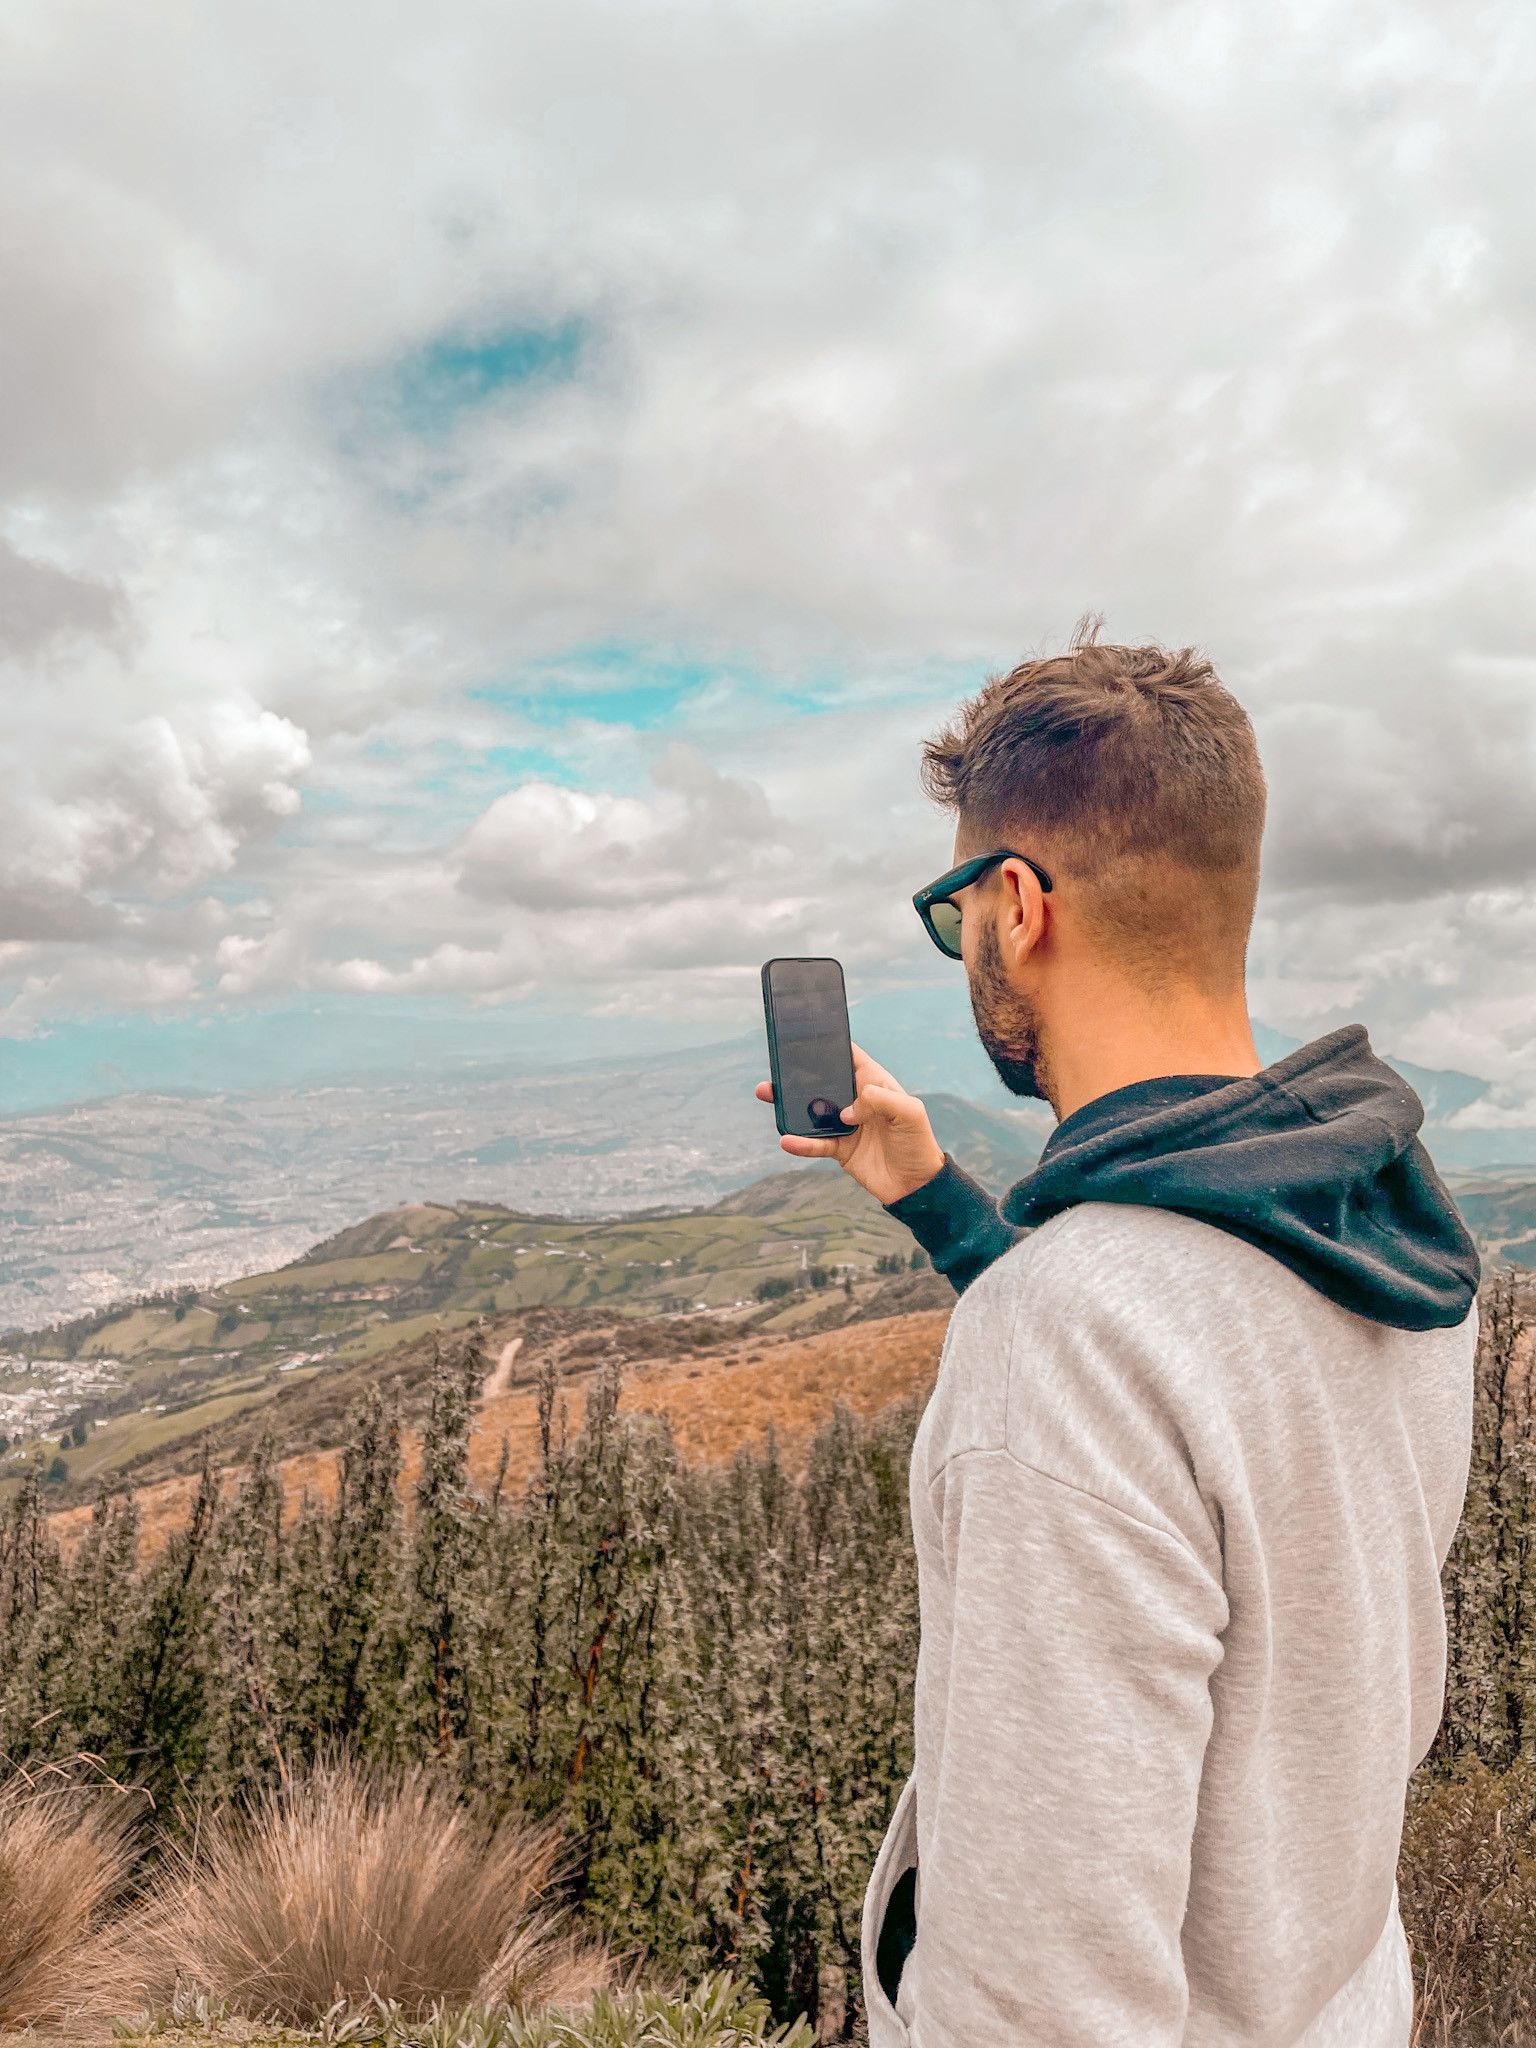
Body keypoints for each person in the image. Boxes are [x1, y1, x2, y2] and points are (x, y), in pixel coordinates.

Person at [755, 624, 1480, 2046]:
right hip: (1333, 1993)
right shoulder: (1381, 1225)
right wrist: (939, 1203)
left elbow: (1047, 1995)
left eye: (950, 911)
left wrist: (1025, 1300)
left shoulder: (1071, 1340)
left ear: (1015, 901)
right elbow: (1211, 1380)